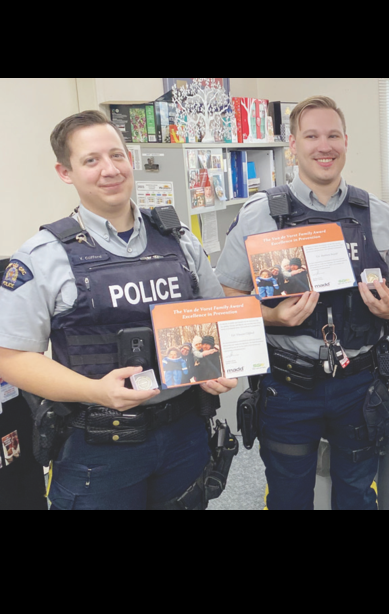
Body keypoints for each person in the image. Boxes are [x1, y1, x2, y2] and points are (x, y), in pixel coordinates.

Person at [0, 110, 237, 510]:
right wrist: (94, 391)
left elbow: (215, 319)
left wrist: (219, 365)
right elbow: (10, 357)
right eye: (91, 160)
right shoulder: (44, 256)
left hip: (184, 431)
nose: (109, 169)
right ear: (66, 172)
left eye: (117, 155)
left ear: (130, 159)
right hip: (98, 445)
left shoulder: (179, 242)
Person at [215, 95, 389, 510]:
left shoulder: (379, 215)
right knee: (288, 497)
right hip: (289, 386)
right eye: (311, 136)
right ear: (292, 144)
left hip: (361, 385)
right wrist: (271, 315)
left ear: (345, 141)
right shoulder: (258, 217)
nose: (323, 146)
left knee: (358, 494)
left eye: (332, 135)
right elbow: (226, 297)